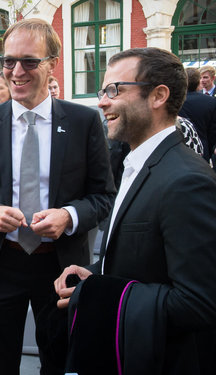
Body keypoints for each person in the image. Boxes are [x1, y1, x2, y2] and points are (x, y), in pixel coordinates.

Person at [0, 18, 115, 375]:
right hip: (1, 263)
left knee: (58, 359)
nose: (16, 71)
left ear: (52, 63)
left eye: (29, 61)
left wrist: (69, 216)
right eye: (8, 61)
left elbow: (104, 195)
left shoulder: (83, 121)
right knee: (1, 363)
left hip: (59, 265)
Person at [55, 47, 216, 374]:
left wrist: (98, 296)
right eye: (103, 91)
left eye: (115, 90)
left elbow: (198, 304)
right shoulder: (138, 164)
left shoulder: (187, 181)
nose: (102, 102)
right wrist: (98, 273)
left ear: (158, 96)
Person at [179, 67, 216, 162]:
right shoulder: (211, 102)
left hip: (181, 151)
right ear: (198, 81)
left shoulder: (175, 101)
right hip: (203, 152)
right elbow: (213, 132)